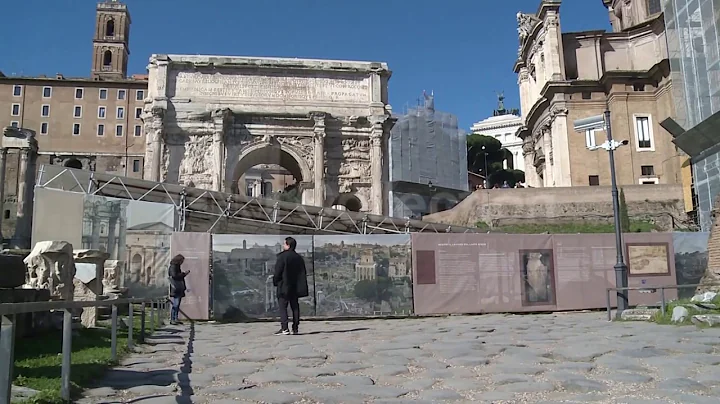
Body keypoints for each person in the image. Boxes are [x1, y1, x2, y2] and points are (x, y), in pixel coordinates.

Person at [272, 237, 309, 335]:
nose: (283, 245)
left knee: (283, 307)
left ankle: (285, 328)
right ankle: (295, 328)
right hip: (295, 286)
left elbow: (278, 272)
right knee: (295, 306)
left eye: (284, 244)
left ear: (288, 245)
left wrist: (275, 281)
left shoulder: (282, 257)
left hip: (284, 285)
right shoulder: (299, 258)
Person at [168, 254, 189, 325]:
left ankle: (175, 318)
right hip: (176, 287)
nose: (182, 262)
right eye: (182, 260)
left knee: (177, 304)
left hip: (178, 288)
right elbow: (174, 276)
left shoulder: (176, 266)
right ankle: (172, 319)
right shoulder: (173, 266)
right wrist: (183, 274)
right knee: (176, 304)